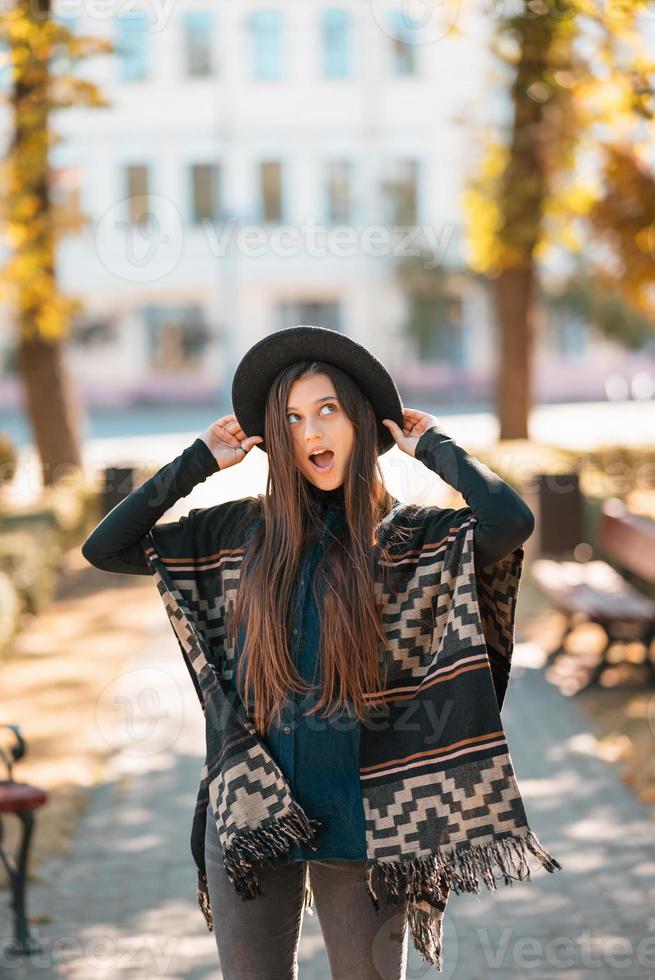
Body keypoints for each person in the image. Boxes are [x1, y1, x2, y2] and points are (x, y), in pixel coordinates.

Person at [82, 325, 539, 980]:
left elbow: (507, 521)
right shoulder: (237, 532)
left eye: (326, 409)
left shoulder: (411, 538)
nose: (309, 431)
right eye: (291, 418)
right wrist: (197, 460)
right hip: (250, 813)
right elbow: (109, 548)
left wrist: (431, 445)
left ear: (358, 420)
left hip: (367, 825)